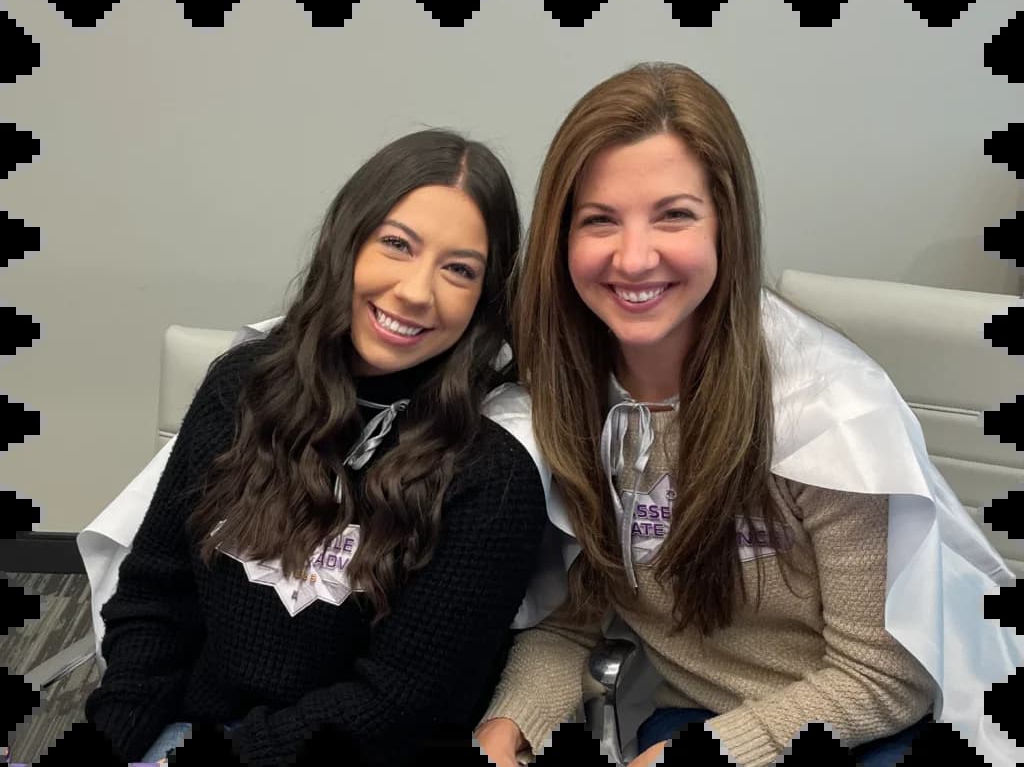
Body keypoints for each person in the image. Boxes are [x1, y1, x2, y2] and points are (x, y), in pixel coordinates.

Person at [473, 62, 1020, 767]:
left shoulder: (825, 414)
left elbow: (884, 678)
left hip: (870, 729)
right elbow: (572, 624)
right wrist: (509, 726)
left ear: (727, 226)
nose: (634, 258)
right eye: (599, 220)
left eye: (674, 215)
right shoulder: (561, 397)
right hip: (693, 720)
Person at [80, 128, 551, 767]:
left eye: (459, 270)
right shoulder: (242, 388)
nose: (416, 291)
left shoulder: (491, 472)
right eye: (396, 245)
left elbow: (401, 702)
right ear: (347, 241)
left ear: (484, 298)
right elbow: (154, 599)